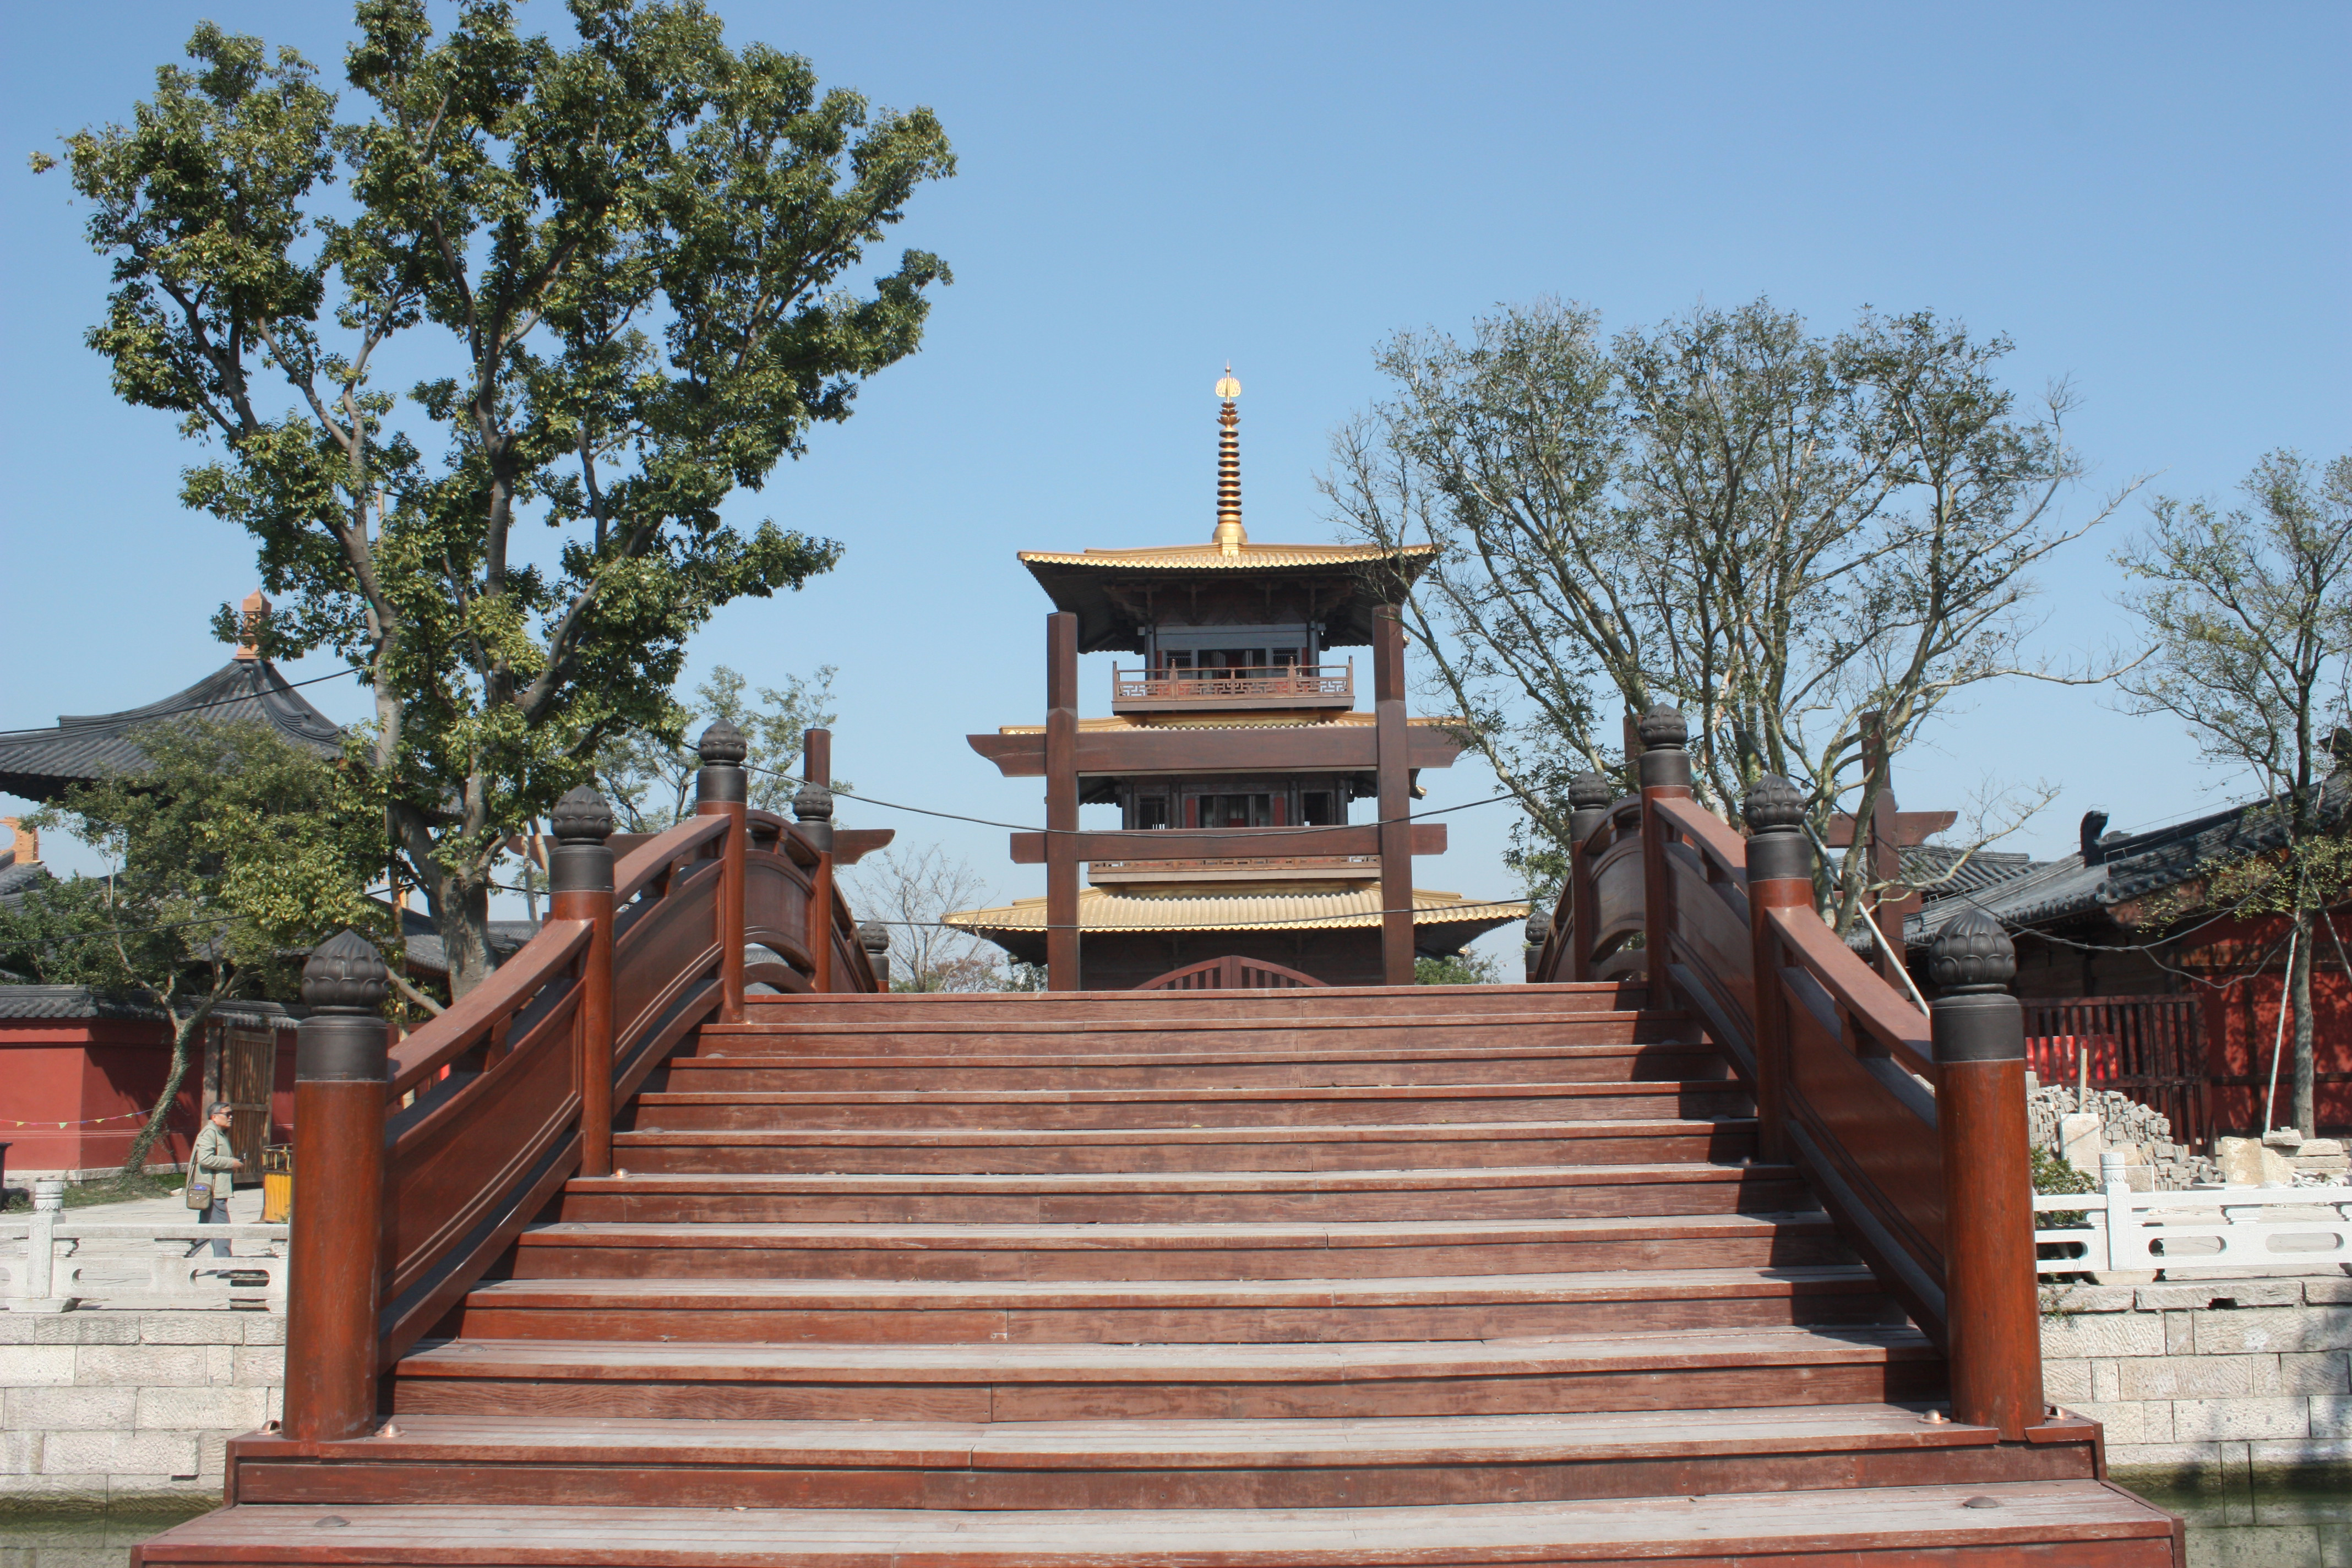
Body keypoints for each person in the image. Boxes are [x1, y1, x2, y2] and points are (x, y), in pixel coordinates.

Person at [187, 1102, 244, 1259]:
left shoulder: (219, 1134)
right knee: (222, 1229)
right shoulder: (209, 1134)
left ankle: (181, 1255)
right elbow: (205, 1160)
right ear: (214, 1117)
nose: (231, 1117)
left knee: (205, 1231)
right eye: (227, 1114)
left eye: (232, 1114)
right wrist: (230, 1163)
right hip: (212, 1191)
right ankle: (224, 1266)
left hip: (217, 1190)